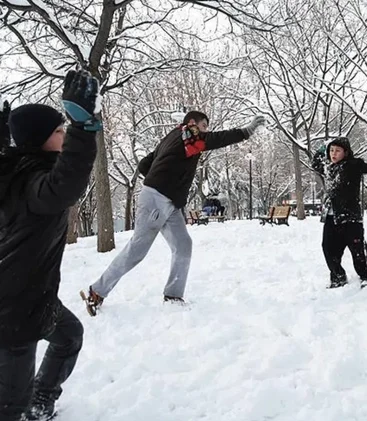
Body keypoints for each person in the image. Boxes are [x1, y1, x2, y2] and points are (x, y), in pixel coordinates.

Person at [0, 70, 101, 421]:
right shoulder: (34, 183)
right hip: (12, 300)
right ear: (41, 140)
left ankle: (41, 401)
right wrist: (83, 127)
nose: (63, 135)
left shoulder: (10, 167)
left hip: (28, 292)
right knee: (9, 397)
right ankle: (28, 403)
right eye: (58, 132)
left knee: (68, 336)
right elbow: (66, 183)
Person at [81, 112, 266, 314]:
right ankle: (96, 291)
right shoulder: (189, 133)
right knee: (137, 251)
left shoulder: (174, 137)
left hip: (168, 202)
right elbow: (215, 139)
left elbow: (145, 163)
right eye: (204, 126)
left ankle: (173, 295)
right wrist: (247, 131)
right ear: (192, 123)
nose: (205, 131)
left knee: (183, 244)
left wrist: (164, 176)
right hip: (157, 200)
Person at [311, 134, 367, 288]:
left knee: (357, 250)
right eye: (331, 150)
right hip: (332, 217)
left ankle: (365, 275)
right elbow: (315, 164)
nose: (333, 154)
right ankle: (338, 277)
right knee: (328, 248)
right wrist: (322, 147)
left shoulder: (354, 164)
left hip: (350, 216)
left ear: (346, 152)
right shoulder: (329, 168)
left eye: (337, 150)